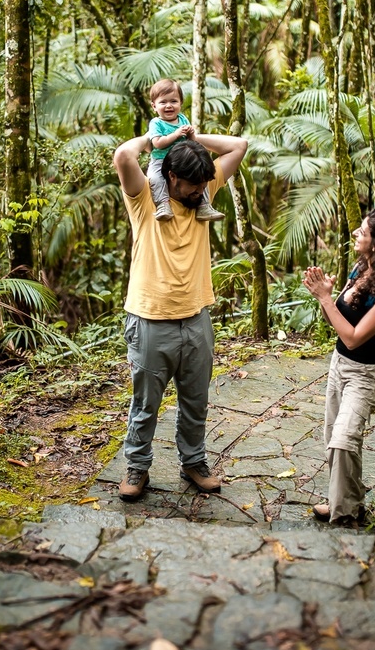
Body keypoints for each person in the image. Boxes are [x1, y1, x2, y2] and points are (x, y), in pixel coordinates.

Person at [112, 129, 248, 501]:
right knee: (145, 404)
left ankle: (194, 461)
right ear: (171, 176)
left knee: (195, 399)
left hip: (196, 317)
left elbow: (239, 146)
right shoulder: (144, 198)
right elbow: (124, 156)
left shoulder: (203, 191)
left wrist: (192, 136)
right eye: (193, 185)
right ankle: (137, 466)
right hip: (150, 319)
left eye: (204, 184)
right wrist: (154, 137)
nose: (200, 191)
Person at [301, 209, 375, 525]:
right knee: (333, 437)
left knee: (344, 440)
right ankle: (348, 504)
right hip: (339, 365)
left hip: (365, 374)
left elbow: (353, 338)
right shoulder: (361, 269)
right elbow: (337, 324)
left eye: (362, 232)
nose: (355, 234)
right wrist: (324, 296)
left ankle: (345, 515)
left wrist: (325, 299)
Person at [145, 79, 226, 223]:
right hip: (160, 160)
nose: (169, 105)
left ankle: (204, 206)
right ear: (154, 106)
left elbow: (192, 143)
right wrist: (175, 134)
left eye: (173, 101)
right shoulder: (156, 123)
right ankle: (163, 204)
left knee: (200, 177)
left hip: (183, 161)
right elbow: (157, 143)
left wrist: (191, 134)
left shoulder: (182, 119)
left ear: (181, 103)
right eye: (163, 102)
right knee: (155, 179)